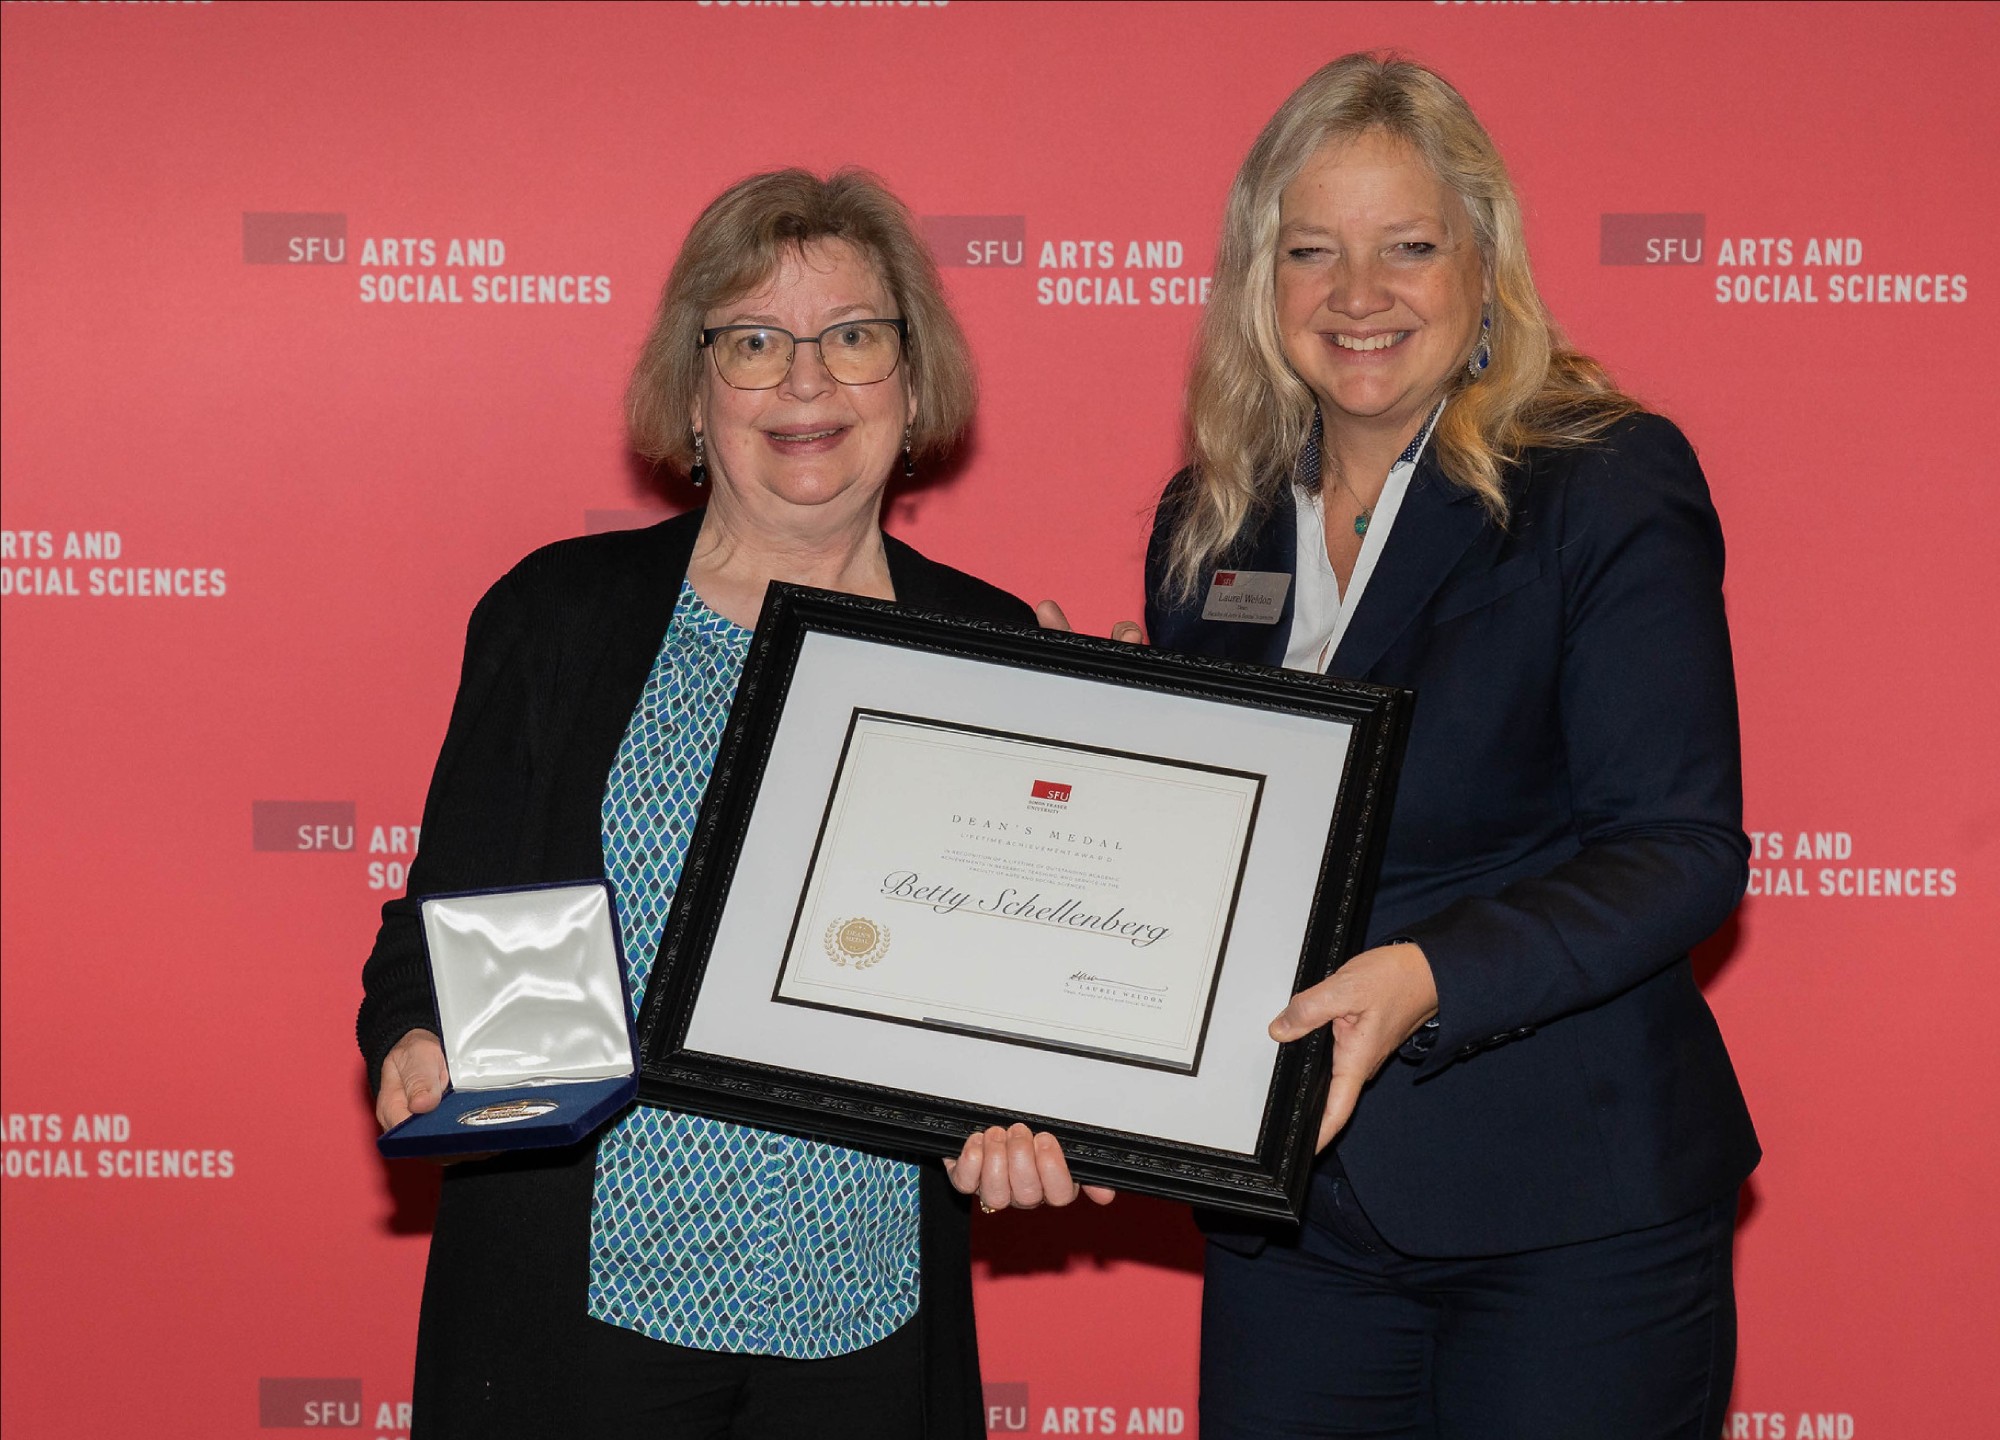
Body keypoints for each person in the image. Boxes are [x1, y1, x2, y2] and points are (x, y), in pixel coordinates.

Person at [359, 167, 1102, 1440]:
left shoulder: (994, 644)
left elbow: (1032, 992)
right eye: (753, 342)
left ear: (911, 386)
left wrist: (1050, 1116)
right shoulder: (557, 617)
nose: (805, 382)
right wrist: (416, 1032)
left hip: (864, 1310)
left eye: (853, 338)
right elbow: (439, 927)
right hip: (583, 1308)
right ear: (693, 392)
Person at [1141, 55, 1760, 1438]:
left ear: (1484, 266)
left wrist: (1427, 977)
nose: (1359, 295)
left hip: (1566, 1215)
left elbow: (1679, 849)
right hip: (1289, 1220)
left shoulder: (1599, 477)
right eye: (1314, 251)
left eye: (1407, 247)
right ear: (1262, 277)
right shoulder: (1213, 523)